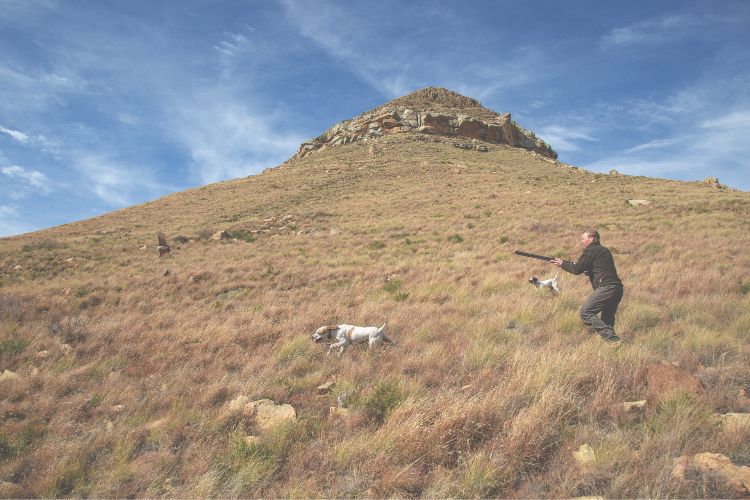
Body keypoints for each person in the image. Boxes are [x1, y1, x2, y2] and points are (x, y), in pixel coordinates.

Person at [550, 230, 623, 342]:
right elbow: (601, 267)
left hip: (606, 287)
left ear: (592, 238)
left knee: (586, 312)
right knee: (607, 318)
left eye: (583, 239)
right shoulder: (605, 250)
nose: (581, 241)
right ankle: (613, 344)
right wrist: (590, 271)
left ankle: (612, 338)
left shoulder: (590, 250)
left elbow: (576, 269)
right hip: (617, 288)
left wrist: (562, 264)